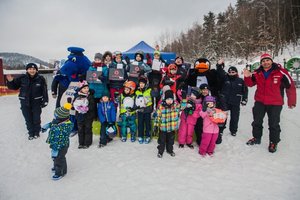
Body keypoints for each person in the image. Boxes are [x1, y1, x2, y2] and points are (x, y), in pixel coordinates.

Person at [243, 53, 296, 153]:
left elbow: (290, 86)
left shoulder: (281, 72)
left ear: (271, 61)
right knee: (257, 122)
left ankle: (273, 142)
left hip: (275, 103)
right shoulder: (257, 73)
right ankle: (256, 138)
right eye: (263, 61)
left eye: (267, 60)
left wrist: (291, 101)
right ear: (261, 63)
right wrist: (247, 76)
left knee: (274, 124)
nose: (265, 62)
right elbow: (250, 84)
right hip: (260, 102)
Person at [6, 63, 48, 140]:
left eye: (34, 69)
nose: (32, 70)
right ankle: (31, 133)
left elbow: (44, 90)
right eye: (30, 69)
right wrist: (10, 81)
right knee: (28, 119)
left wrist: (45, 100)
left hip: (36, 102)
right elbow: (14, 87)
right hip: (25, 102)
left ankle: (37, 132)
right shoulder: (22, 78)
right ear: (27, 70)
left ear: (36, 70)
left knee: (36, 118)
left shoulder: (41, 78)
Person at [41, 102, 73, 180]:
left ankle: (60, 172)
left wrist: (56, 148)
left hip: (61, 145)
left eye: (55, 115)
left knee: (59, 158)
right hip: (55, 144)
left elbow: (59, 138)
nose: (54, 117)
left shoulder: (64, 126)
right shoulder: (58, 121)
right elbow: (52, 123)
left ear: (61, 117)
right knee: (55, 157)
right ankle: (56, 166)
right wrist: (46, 126)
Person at [220, 66, 248, 136]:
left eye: (233, 72)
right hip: (225, 101)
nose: (231, 74)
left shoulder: (240, 81)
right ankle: (221, 130)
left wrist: (244, 99)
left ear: (236, 72)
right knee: (223, 116)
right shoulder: (224, 79)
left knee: (235, 117)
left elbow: (245, 91)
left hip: (235, 102)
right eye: (230, 72)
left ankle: (233, 130)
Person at [154, 90, 181, 158]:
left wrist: (183, 99)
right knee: (162, 141)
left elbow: (183, 107)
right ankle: (160, 151)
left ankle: (170, 150)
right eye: (168, 99)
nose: (169, 101)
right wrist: (156, 126)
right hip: (163, 128)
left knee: (171, 141)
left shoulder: (175, 106)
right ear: (165, 99)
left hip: (172, 128)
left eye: (171, 99)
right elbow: (158, 117)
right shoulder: (161, 107)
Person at [73, 80, 95, 148]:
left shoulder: (90, 96)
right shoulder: (77, 96)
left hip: (88, 116)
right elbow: (74, 105)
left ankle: (87, 143)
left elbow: (92, 105)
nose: (86, 89)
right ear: (81, 89)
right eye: (84, 88)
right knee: (80, 129)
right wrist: (78, 108)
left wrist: (87, 108)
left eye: (87, 88)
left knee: (88, 129)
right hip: (79, 116)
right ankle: (81, 143)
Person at [88, 53, 109, 120]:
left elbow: (107, 78)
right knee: (92, 105)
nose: (97, 60)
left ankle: (101, 117)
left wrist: (102, 78)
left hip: (101, 89)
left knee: (101, 106)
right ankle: (94, 117)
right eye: (96, 59)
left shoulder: (104, 68)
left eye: (98, 59)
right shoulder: (91, 67)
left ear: (101, 60)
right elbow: (88, 77)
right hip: (93, 89)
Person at [135, 76, 153, 144]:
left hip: (147, 110)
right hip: (140, 110)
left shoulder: (149, 90)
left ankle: (147, 136)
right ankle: (140, 136)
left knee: (148, 124)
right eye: (140, 83)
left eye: (143, 83)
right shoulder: (137, 91)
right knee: (140, 124)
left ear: (145, 84)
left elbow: (153, 97)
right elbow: (135, 101)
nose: (141, 84)